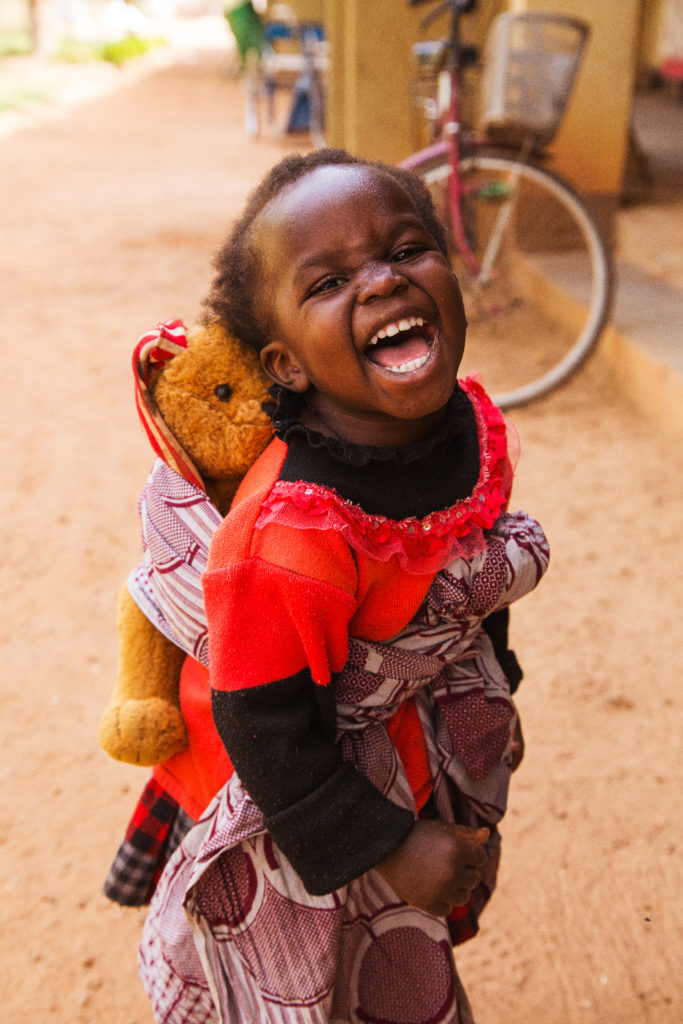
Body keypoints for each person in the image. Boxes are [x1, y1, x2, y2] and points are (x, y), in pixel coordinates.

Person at [137, 148, 549, 1024]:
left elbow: (466, 579)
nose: (380, 284)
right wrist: (382, 847)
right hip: (305, 788)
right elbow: (260, 714)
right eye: (327, 283)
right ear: (285, 364)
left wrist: (489, 693)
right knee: (332, 988)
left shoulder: (465, 424)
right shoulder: (297, 528)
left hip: (410, 748)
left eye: (405, 250)